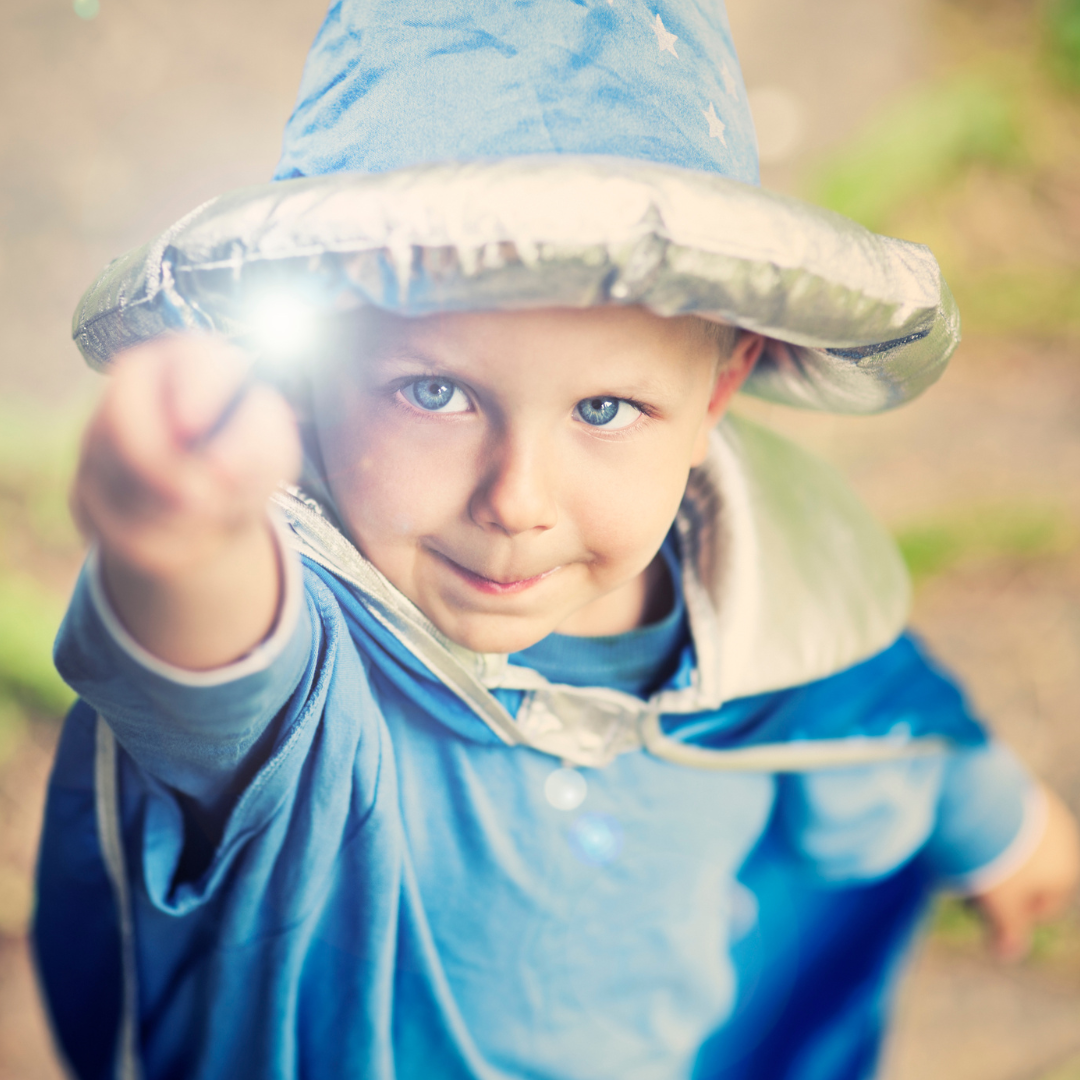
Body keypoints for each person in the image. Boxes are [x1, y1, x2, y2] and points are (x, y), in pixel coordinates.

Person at [36, 2, 1079, 1079]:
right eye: (435, 392)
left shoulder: (770, 612)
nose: (517, 501)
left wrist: (997, 820)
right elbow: (210, 660)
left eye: (603, 410)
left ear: (724, 379)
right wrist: (178, 527)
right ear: (313, 369)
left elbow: (862, 717)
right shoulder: (309, 670)